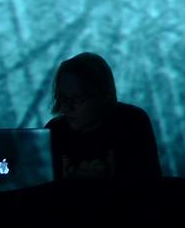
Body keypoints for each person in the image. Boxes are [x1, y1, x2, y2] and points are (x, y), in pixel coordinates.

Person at [45, 52, 162, 180]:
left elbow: (148, 184)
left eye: (77, 98)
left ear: (104, 95)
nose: (67, 107)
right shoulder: (54, 131)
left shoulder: (131, 123)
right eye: (63, 98)